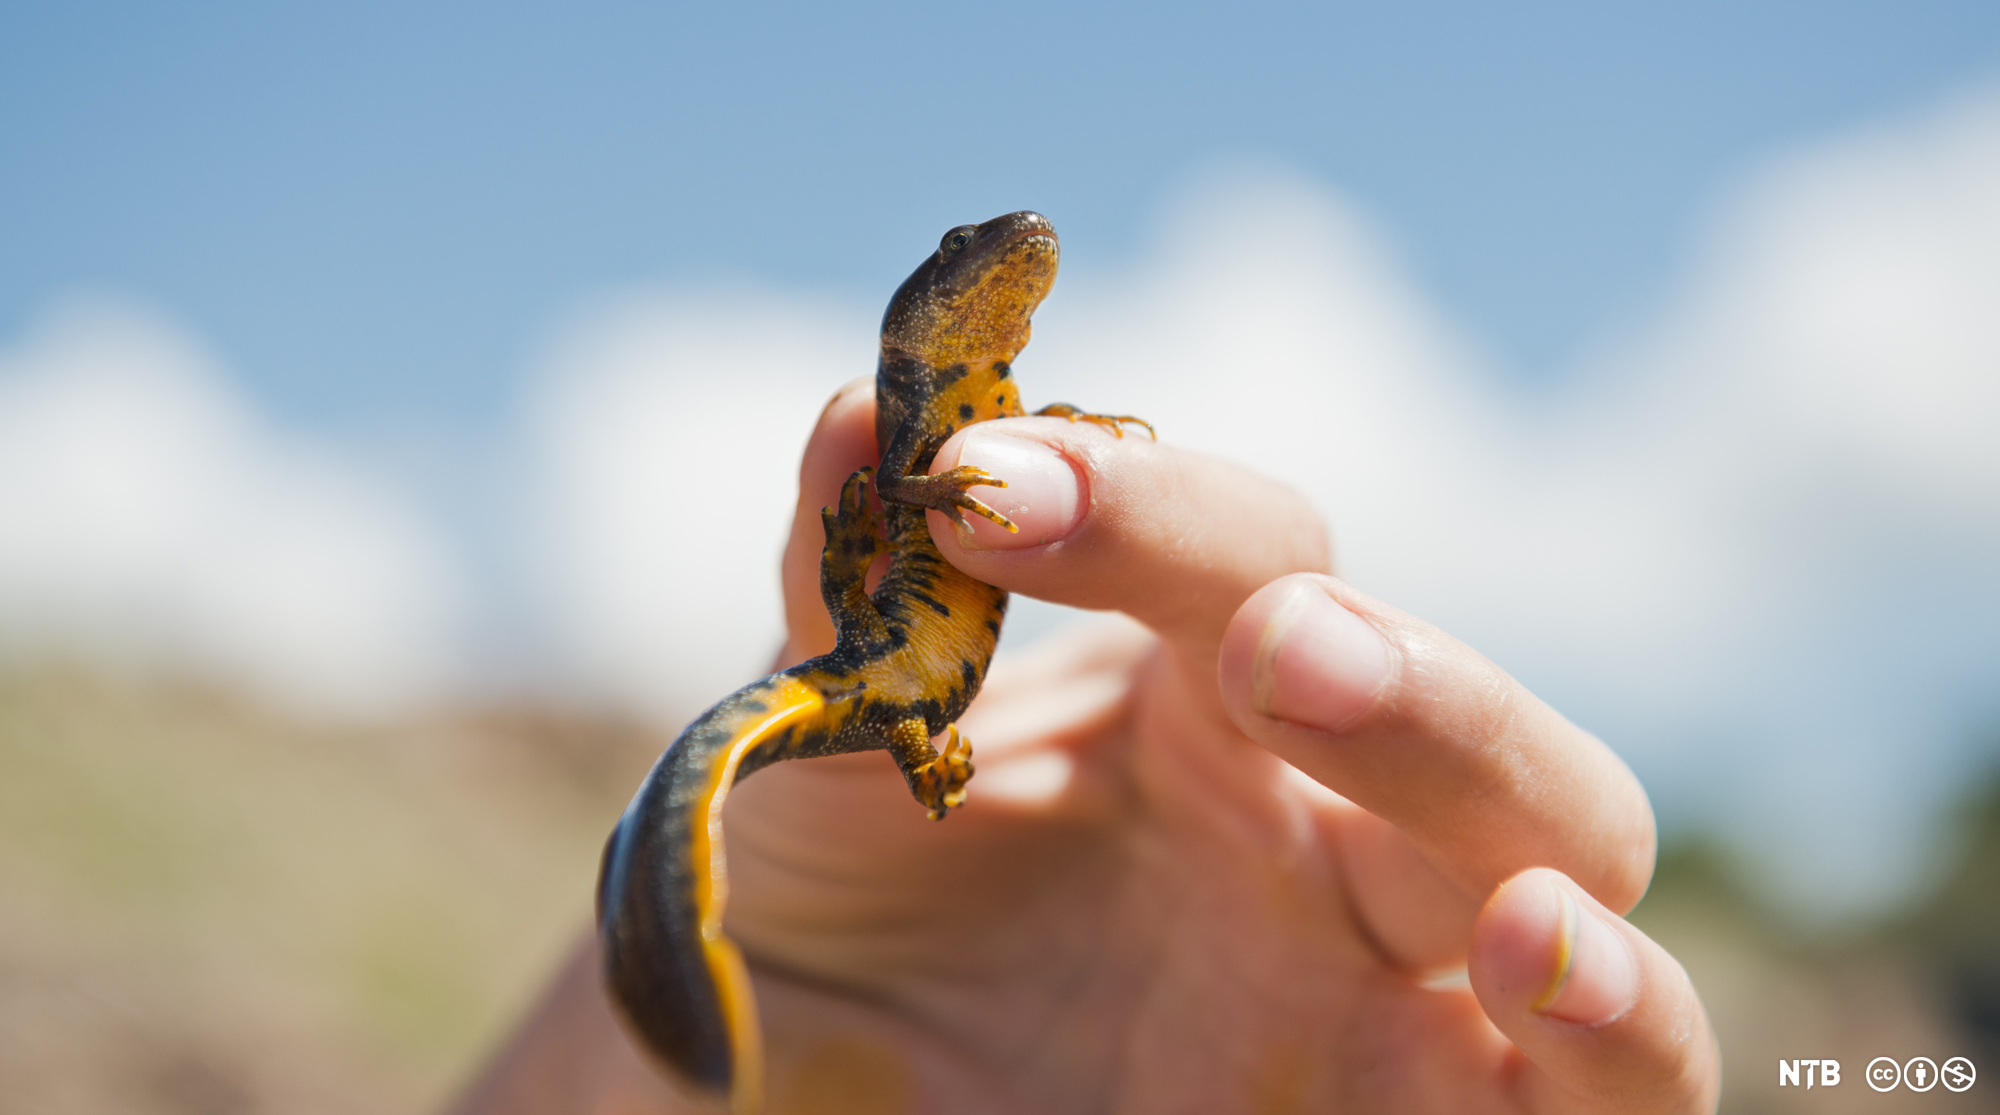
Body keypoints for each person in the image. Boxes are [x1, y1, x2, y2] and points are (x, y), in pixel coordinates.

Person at [454, 381, 1720, 1114]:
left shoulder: (999, 408)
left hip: (902, 696)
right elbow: (904, 487)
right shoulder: (938, 412)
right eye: (964, 256)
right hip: (882, 676)